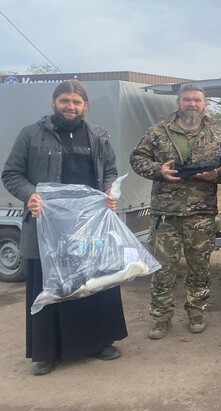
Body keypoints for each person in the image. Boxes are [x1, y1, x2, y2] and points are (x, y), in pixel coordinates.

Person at [2, 80, 127, 375]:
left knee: (94, 281)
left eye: (76, 102)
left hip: (88, 225)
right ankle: (47, 352)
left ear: (85, 105)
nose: (70, 106)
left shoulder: (98, 136)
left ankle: (100, 342)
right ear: (53, 103)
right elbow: (11, 174)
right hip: (47, 226)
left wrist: (111, 193)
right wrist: (30, 195)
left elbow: (109, 171)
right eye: (64, 101)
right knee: (49, 285)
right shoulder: (31, 134)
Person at [129, 83, 221, 339]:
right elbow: (137, 159)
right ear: (178, 102)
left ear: (204, 103)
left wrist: (216, 174)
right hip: (167, 213)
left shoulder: (217, 133)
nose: (192, 104)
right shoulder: (158, 131)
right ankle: (161, 318)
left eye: (197, 100)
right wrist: (159, 171)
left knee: (199, 268)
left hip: (201, 214)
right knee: (163, 269)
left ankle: (196, 312)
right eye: (187, 100)